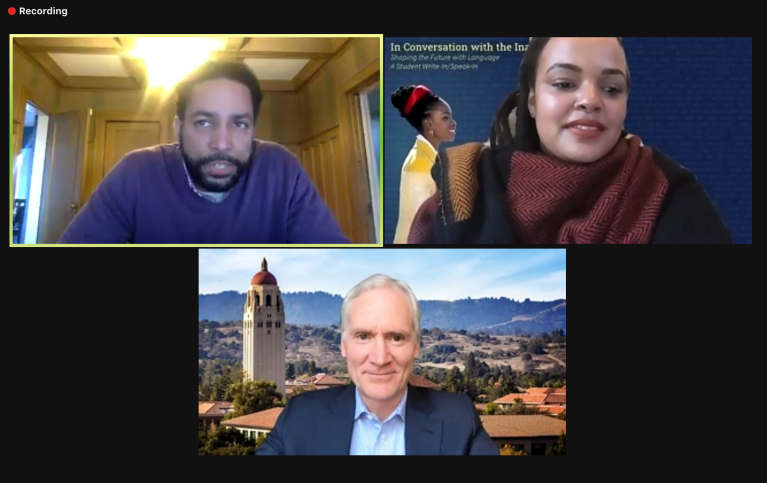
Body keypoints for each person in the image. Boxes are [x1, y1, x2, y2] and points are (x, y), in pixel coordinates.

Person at [407, 37, 732, 244]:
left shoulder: (670, 192)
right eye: (564, 83)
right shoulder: (465, 185)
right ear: (532, 102)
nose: (590, 100)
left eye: (611, 88)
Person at [58, 60, 349, 244]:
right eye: (204, 122)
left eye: (239, 123)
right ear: (178, 127)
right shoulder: (135, 172)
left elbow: (335, 259)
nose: (221, 143)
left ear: (252, 128)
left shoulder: (281, 169)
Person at [256, 274, 498, 455]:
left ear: (416, 346)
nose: (380, 359)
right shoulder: (299, 417)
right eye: (363, 337)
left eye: (396, 338)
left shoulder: (458, 419)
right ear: (343, 346)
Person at [390, 85, 457, 244]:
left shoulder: (428, 158)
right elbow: (420, 227)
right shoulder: (418, 165)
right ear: (429, 124)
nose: (454, 123)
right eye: (445, 118)